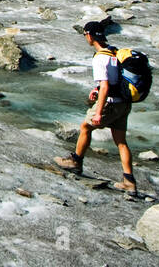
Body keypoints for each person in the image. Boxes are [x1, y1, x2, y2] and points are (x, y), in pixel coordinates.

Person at [54, 21, 137, 192]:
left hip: (110, 103)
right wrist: (97, 89)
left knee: (85, 127)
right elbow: (114, 80)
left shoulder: (100, 57)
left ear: (89, 36)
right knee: (121, 142)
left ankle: (76, 161)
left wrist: (98, 112)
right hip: (124, 103)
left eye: (85, 35)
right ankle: (129, 181)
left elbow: (106, 85)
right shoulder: (115, 51)